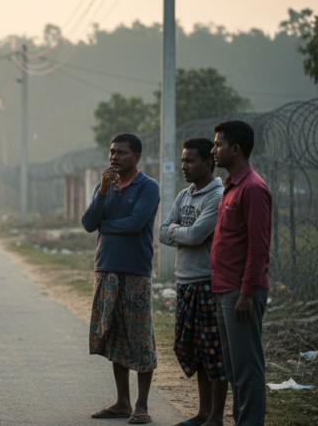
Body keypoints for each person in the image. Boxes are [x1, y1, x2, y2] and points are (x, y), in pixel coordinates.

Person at [81, 133, 160, 424]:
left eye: (122, 153)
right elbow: (89, 223)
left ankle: (141, 404)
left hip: (135, 271)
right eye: (112, 152)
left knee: (140, 337)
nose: (114, 157)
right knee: (113, 334)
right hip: (106, 269)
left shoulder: (148, 186)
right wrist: (101, 192)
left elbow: (136, 224)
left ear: (136, 158)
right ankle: (122, 402)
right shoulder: (103, 187)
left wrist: (106, 224)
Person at [159, 138, 228, 426]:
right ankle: (203, 412)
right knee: (195, 350)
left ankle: (216, 416)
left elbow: (198, 234)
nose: (184, 166)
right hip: (185, 282)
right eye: (183, 160)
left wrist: (178, 231)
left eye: (190, 161)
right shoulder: (184, 195)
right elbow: (162, 233)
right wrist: (181, 231)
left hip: (206, 282)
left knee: (213, 352)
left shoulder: (217, 194)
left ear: (208, 163)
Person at [210, 121, 271, 426]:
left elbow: (259, 248)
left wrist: (246, 294)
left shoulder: (254, 189)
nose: (213, 150)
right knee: (235, 370)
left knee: (247, 370)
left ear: (235, 149)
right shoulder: (230, 186)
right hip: (225, 290)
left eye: (218, 144)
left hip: (240, 293)